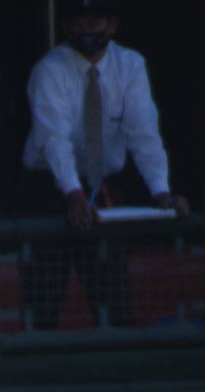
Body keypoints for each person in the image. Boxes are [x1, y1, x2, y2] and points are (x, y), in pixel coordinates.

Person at [19, 0, 190, 329]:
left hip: (103, 186)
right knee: (43, 301)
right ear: (66, 28)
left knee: (113, 300)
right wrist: (73, 196)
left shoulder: (130, 65)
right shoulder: (50, 69)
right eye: (78, 23)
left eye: (95, 23)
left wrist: (161, 192)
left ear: (111, 25)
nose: (87, 31)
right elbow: (54, 139)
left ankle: (118, 372)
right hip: (51, 188)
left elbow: (144, 134)